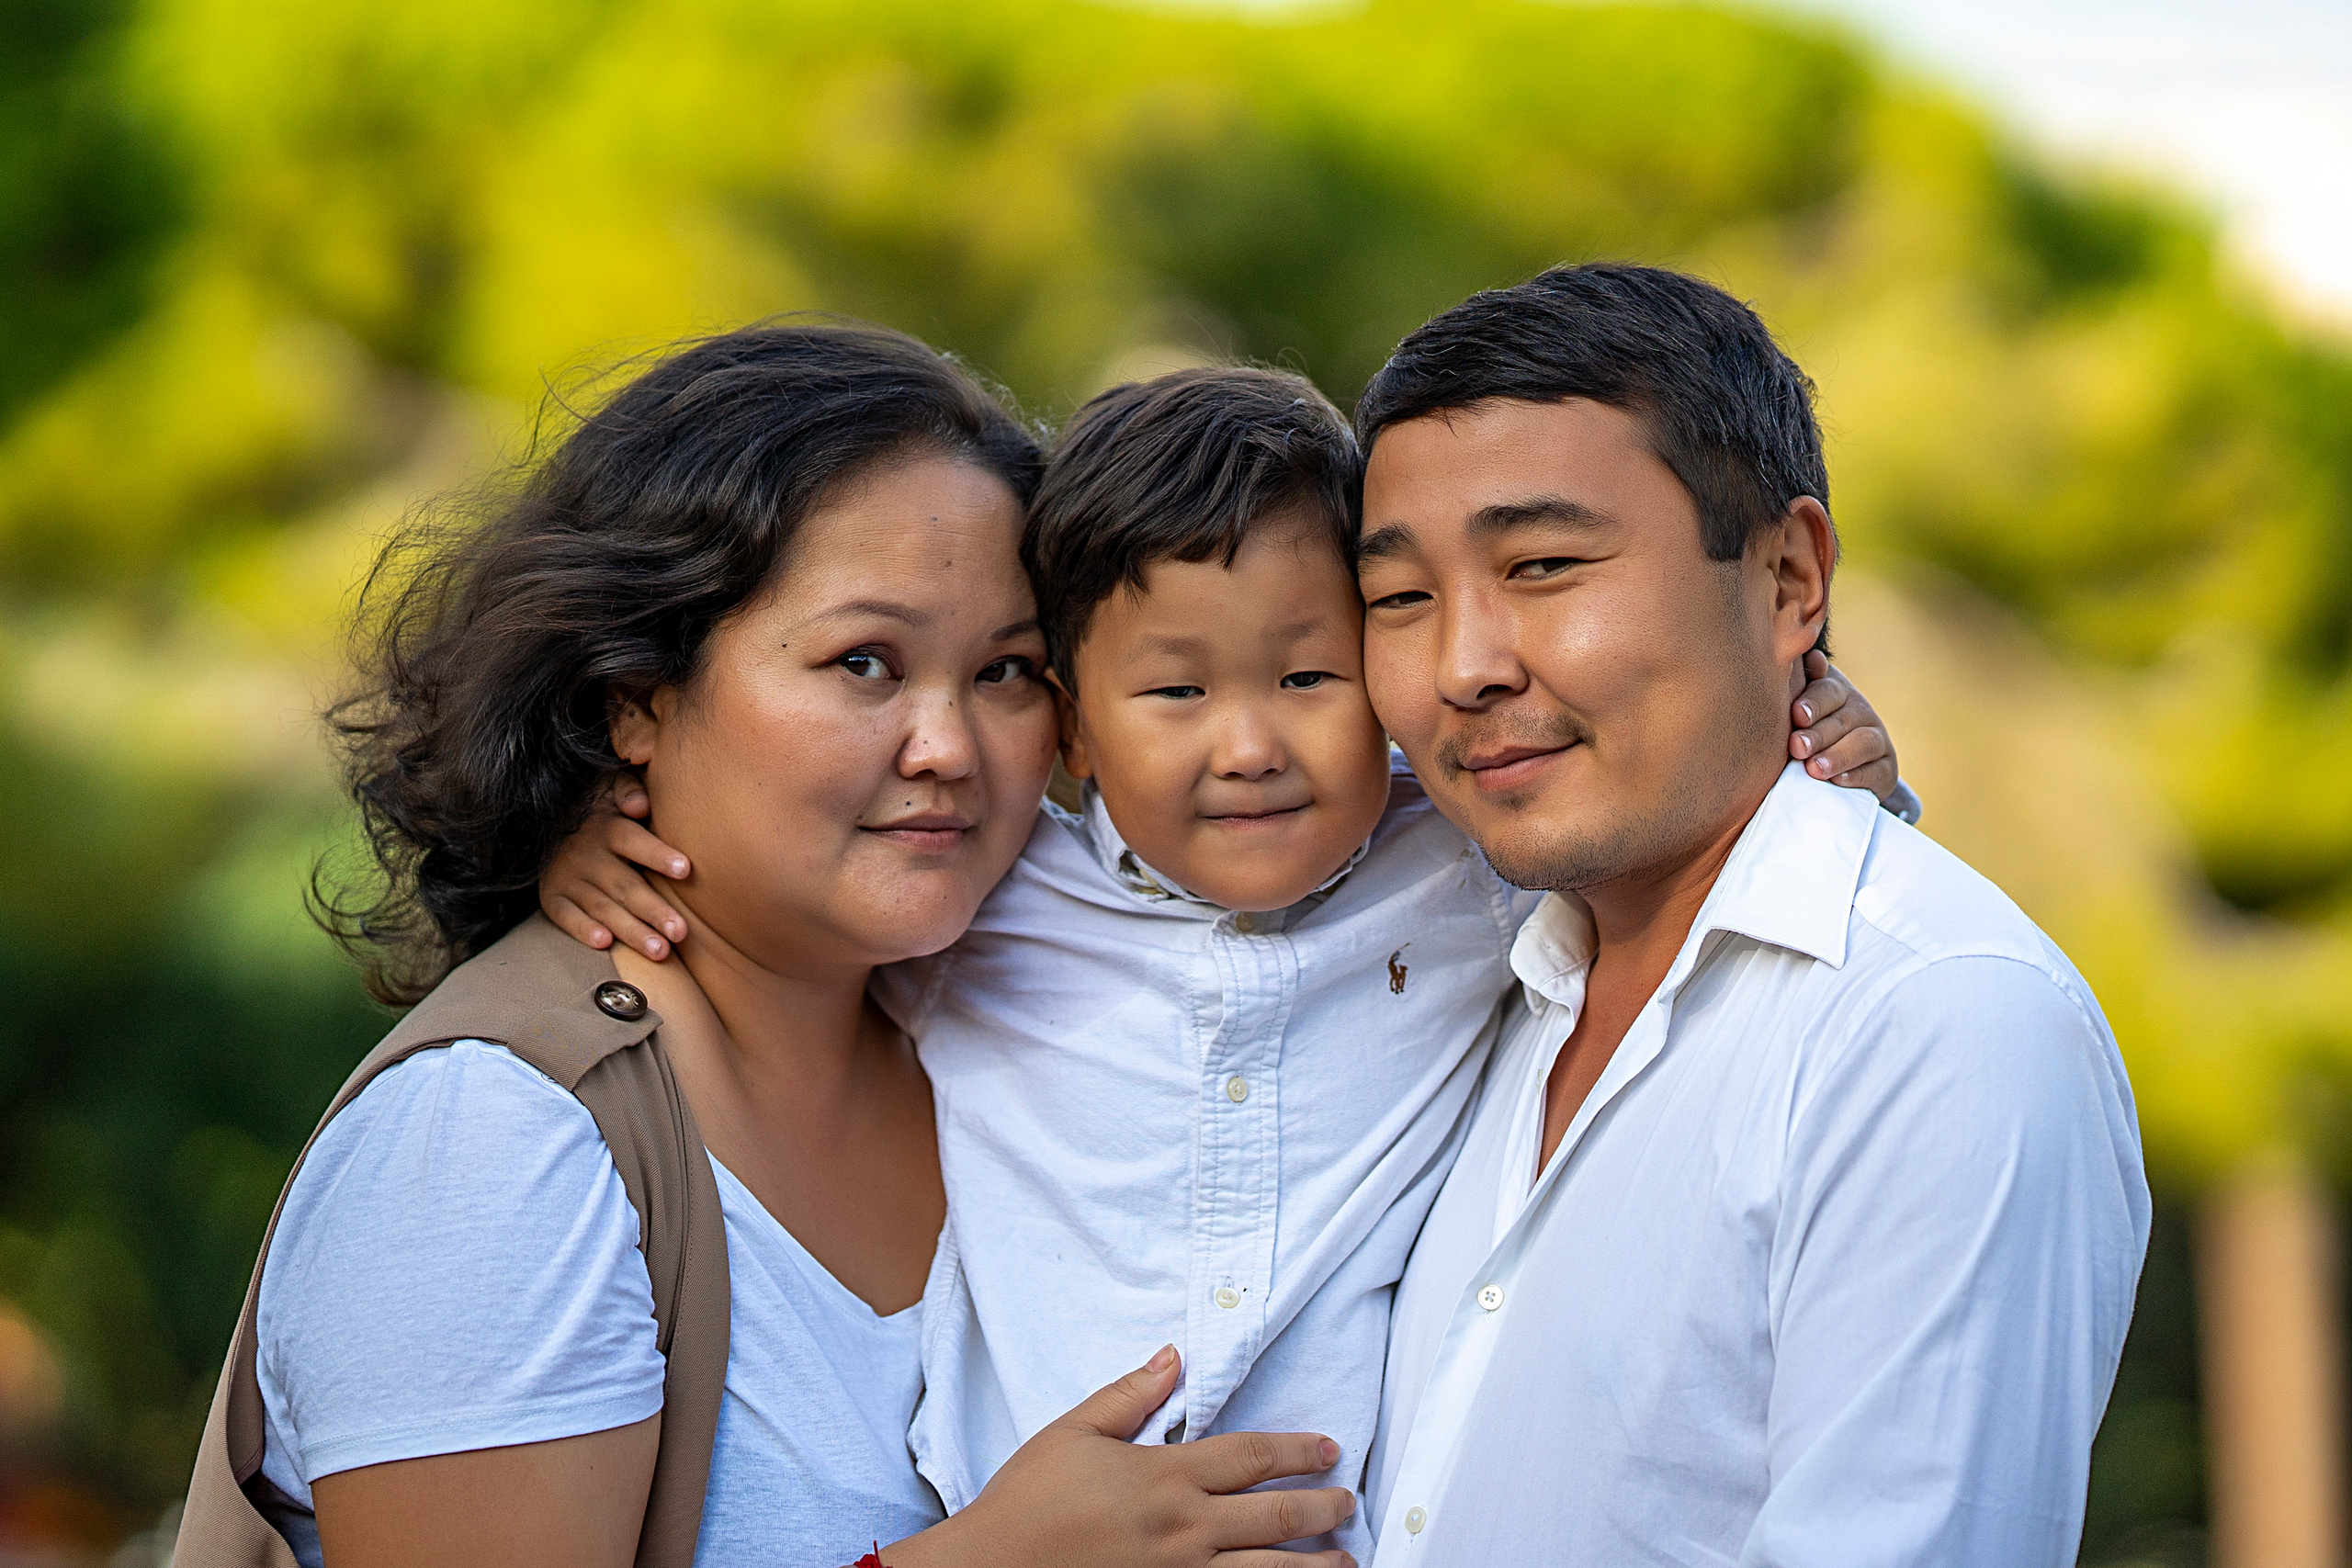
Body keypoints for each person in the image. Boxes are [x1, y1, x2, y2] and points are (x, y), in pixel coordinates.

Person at [539, 364, 1911, 1552]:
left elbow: (1686, 849)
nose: (1249, 747)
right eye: (1177, 691)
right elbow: (782, 891)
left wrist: (1828, 745)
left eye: (1308, 678)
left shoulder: (1469, 870)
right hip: (1029, 1538)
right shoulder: (991, 901)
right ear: (1075, 729)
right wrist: (594, 837)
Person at [181, 323, 1360, 1568]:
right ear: (635, 697)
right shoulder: (493, 1143)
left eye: (1008, 671)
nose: (948, 748)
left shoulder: (1022, 1009)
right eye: (865, 663)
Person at [1352, 264, 2151, 1563]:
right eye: (1400, 598)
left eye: (1543, 566)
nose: (1462, 667)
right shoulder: (1450, 975)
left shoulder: (1937, 1024)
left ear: (1787, 580)